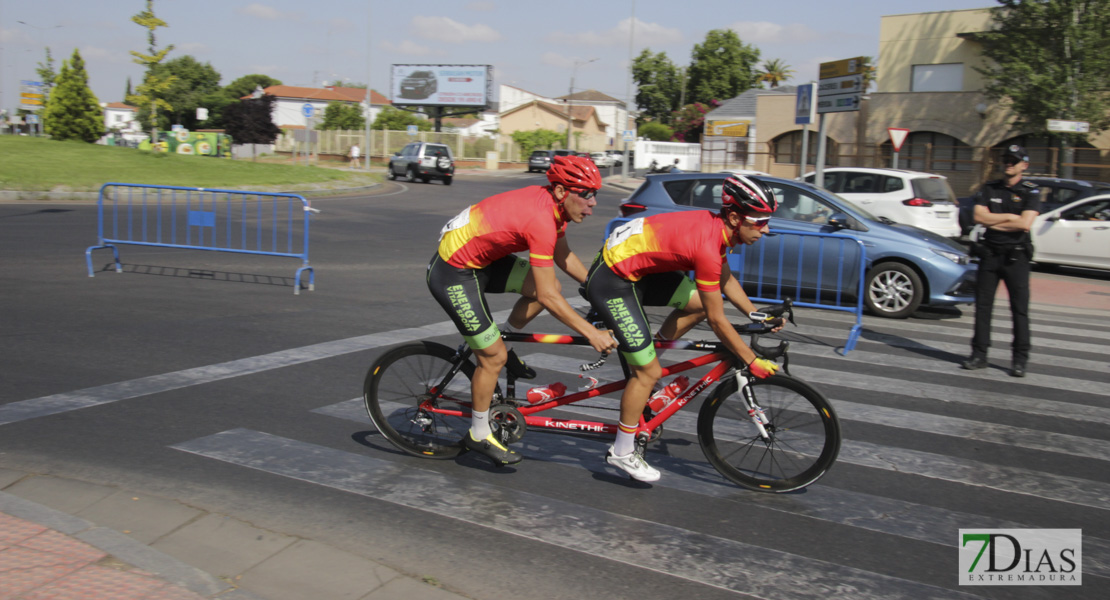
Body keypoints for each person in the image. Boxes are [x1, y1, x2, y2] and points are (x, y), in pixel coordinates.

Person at [583, 175, 783, 482]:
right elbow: (718, 320)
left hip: (638, 268)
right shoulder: (707, 245)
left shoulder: (718, 231)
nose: (766, 229)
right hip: (613, 279)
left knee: (698, 306)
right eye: (760, 221)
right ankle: (622, 451)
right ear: (734, 217)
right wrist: (751, 360)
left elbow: (725, 279)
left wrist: (756, 314)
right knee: (647, 373)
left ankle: (647, 358)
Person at [427, 155, 617, 466]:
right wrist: (591, 333)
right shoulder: (541, 220)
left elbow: (563, 254)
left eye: (594, 194)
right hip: (454, 272)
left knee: (548, 285)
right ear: (560, 192)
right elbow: (548, 297)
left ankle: (506, 344)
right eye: (586, 195)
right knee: (493, 357)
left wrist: (596, 289)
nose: (593, 203)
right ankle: (478, 433)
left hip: (483, 259)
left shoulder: (553, 208)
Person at [962, 144, 1041, 377]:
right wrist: (1008, 217)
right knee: (983, 307)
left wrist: (992, 220)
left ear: (1023, 166)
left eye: (1014, 161)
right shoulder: (989, 187)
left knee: (1019, 309)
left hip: (1016, 256)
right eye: (1006, 160)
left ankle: (1019, 359)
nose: (1009, 164)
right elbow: (978, 216)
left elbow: (1024, 224)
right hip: (990, 254)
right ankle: (979, 355)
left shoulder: (1030, 191)